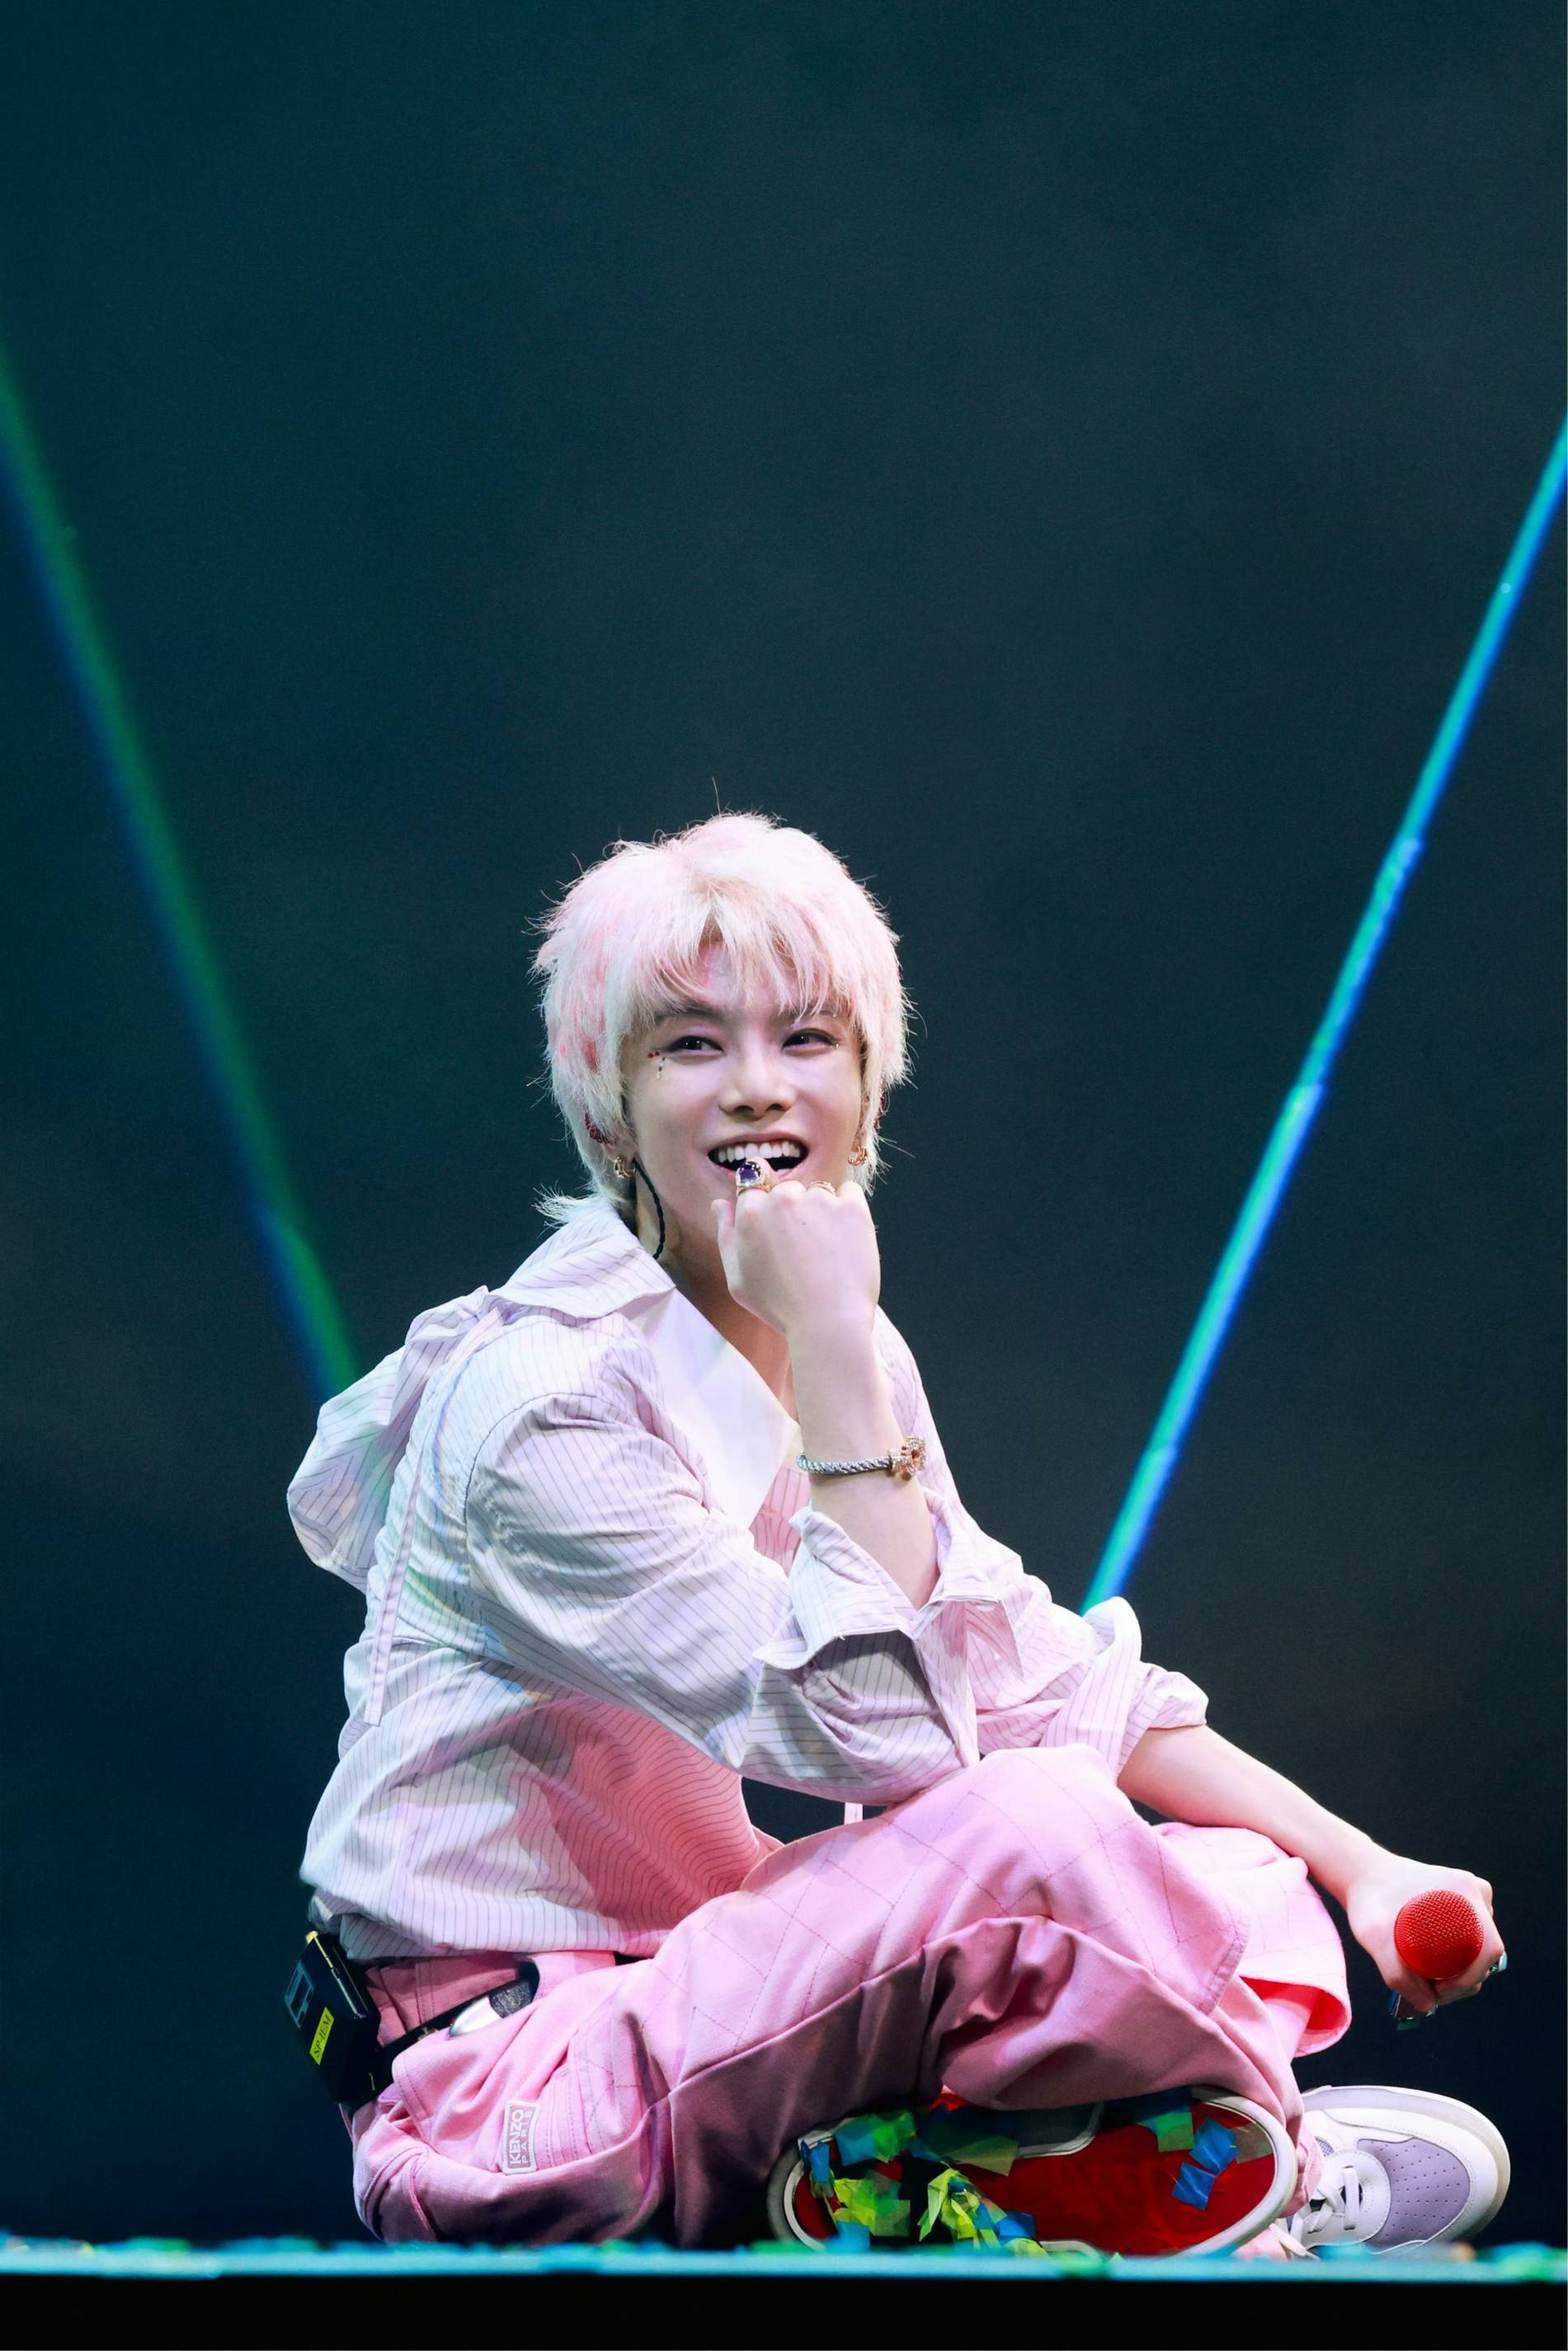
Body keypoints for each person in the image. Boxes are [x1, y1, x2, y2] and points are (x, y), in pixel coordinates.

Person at [287, 810, 1509, 2257]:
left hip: (717, 2011)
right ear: (609, 1106)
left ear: (865, 1090)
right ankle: (1263, 2173)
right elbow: (882, 1739)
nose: (756, 1084)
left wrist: (1361, 1866)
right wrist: (828, 1340)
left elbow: (1024, 1671)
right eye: (691, 1044)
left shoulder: (839, 1348)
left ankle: (945, 2170)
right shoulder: (545, 1401)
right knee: (1039, 1831)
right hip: (515, 2093)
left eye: (805, 1038)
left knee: (1227, 1878)